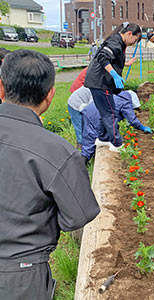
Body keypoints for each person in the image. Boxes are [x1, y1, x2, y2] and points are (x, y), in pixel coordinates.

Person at [0, 49, 100, 299]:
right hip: (19, 275)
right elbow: (78, 215)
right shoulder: (58, 152)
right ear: (50, 95)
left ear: (1, 88)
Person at [84, 22, 140, 152]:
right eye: (135, 40)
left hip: (98, 82)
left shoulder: (117, 42)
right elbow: (103, 57)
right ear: (129, 34)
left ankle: (103, 139)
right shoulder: (115, 42)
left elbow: (112, 58)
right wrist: (114, 75)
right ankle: (117, 144)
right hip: (100, 83)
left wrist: (126, 64)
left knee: (105, 111)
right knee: (111, 113)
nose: (133, 43)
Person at [80, 90, 151, 164]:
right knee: (93, 138)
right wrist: (142, 127)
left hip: (89, 112)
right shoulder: (125, 101)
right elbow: (132, 119)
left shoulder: (117, 95)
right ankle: (82, 165)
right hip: (96, 116)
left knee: (88, 139)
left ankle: (84, 162)